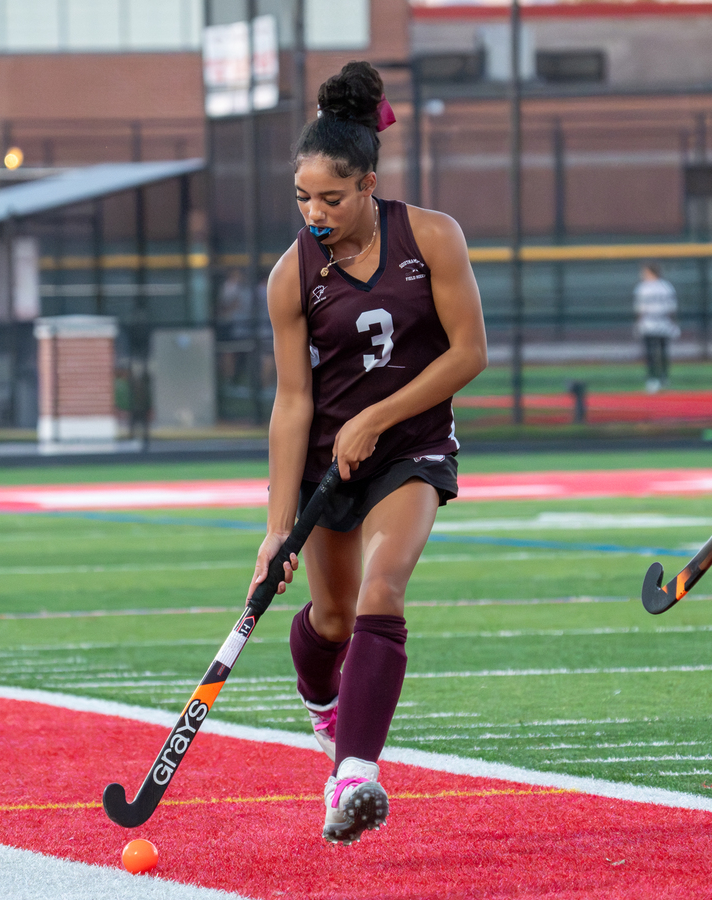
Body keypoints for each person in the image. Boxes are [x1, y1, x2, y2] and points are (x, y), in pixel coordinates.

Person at [247, 61, 487, 845]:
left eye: (332, 198)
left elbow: (468, 353)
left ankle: (354, 777)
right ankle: (322, 704)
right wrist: (276, 528)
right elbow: (291, 405)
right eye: (302, 198)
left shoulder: (432, 235)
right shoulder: (292, 277)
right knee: (333, 620)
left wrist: (379, 416)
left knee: (384, 590)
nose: (315, 213)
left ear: (370, 185)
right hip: (329, 466)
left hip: (411, 449)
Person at [633, 262, 679, 392]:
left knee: (653, 353)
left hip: (650, 323)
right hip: (662, 322)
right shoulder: (666, 286)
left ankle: (655, 379)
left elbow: (639, 310)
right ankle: (661, 378)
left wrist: (638, 324)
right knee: (661, 352)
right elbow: (672, 309)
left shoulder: (643, 287)